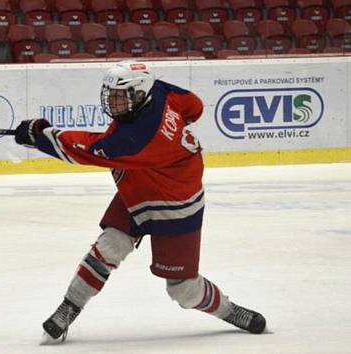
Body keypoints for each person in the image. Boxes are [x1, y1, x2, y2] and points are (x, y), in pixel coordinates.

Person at [14, 60, 267, 344]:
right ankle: (69, 306)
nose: (112, 102)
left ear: (138, 95)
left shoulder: (138, 139)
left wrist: (41, 136)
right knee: (109, 246)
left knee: (183, 290)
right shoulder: (158, 91)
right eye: (110, 95)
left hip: (175, 203)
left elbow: (90, 148)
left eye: (119, 96)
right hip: (142, 181)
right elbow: (194, 105)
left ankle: (230, 311)